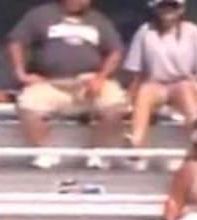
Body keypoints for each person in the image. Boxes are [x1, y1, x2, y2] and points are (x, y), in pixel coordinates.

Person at [7, 0, 127, 170]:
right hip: (51, 82)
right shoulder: (41, 15)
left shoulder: (98, 20)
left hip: (87, 83)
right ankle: (45, 152)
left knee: (115, 103)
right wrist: (21, 73)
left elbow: (116, 51)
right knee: (27, 104)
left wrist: (101, 77)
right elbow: (16, 42)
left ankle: (98, 153)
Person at [123, 0, 197, 157]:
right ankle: (136, 143)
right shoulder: (144, 32)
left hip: (182, 84)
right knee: (145, 91)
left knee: (184, 89)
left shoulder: (193, 31)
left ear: (181, 9)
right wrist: (129, 97)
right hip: (155, 85)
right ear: (156, 8)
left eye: (172, 5)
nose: (168, 10)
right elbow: (136, 71)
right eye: (163, 5)